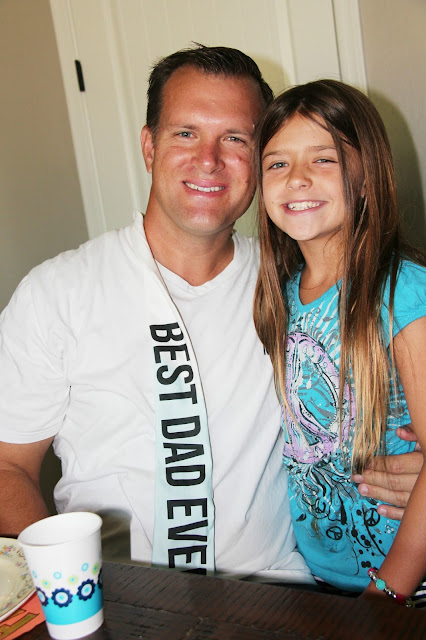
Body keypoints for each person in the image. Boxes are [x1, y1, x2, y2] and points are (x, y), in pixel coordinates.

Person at [0, 46, 420, 582]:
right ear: (149, 146)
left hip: (287, 590)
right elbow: (7, 465)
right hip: (123, 594)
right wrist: (65, 584)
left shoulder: (292, 285)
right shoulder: (57, 292)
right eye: (185, 133)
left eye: (236, 139)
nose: (209, 159)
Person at [253, 79, 426, 603]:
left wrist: (387, 591)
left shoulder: (403, 293)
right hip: (324, 581)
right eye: (277, 164)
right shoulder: (279, 297)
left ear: (366, 176)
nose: (297, 178)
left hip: (402, 588)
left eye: (323, 159)